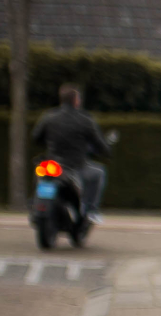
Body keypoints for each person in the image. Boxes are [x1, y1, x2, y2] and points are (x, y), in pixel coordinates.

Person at [31, 83, 109, 222]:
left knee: (40, 173)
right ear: (76, 100)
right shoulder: (85, 119)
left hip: (53, 163)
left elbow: (36, 137)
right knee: (99, 172)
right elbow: (99, 144)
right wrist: (106, 150)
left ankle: (34, 204)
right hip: (76, 166)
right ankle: (90, 210)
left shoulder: (49, 116)